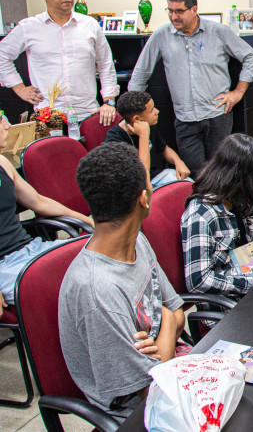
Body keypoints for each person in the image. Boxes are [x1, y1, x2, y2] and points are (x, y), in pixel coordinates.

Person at [59, 143, 187, 422]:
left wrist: (167, 323)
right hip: (137, 414)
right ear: (144, 198)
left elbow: (179, 314)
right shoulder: (97, 291)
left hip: (170, 371)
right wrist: (166, 322)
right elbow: (150, 389)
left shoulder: (136, 241)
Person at [128, 0, 253, 175]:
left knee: (221, 173)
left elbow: (251, 57)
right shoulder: (161, 35)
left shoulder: (218, 32)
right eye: (170, 11)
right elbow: (140, 74)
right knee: (195, 176)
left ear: (194, 9)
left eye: (179, 11)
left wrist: (238, 92)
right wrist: (134, 112)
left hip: (217, 115)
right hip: (185, 119)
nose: (174, 17)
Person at [0, 113, 93, 320]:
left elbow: (38, 202)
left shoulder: (3, 164)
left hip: (31, 249)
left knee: (98, 260)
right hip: (4, 266)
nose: (7, 126)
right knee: (70, 287)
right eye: (1, 121)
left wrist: (85, 219)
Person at [0, 0, 118, 124]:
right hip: (49, 116)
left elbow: (105, 64)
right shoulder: (29, 27)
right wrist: (20, 88)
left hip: (87, 113)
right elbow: (2, 55)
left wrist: (109, 101)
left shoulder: (89, 25)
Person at [181, 133, 253, 299]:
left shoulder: (249, 195)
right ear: (241, 177)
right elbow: (198, 281)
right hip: (226, 298)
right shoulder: (201, 215)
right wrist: (250, 282)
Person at [104, 91, 190, 187]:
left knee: (188, 185)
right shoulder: (114, 140)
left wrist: (178, 161)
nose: (157, 111)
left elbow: (164, 148)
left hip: (155, 176)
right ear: (136, 119)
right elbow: (141, 175)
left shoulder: (149, 124)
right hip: (134, 186)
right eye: (151, 110)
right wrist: (143, 135)